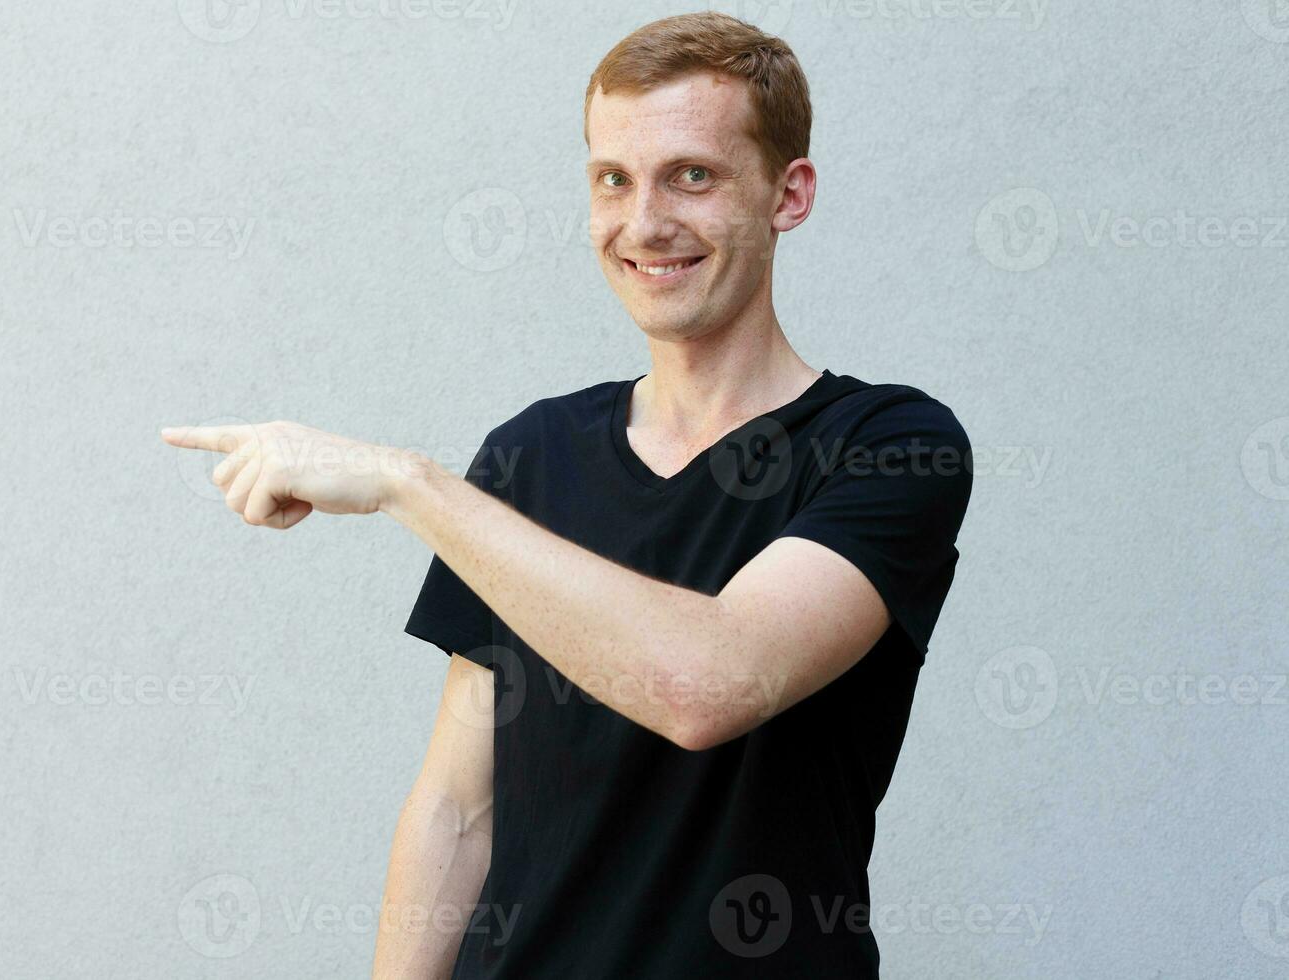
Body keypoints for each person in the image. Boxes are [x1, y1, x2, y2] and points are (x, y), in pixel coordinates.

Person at [162, 11, 973, 977]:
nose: (644, 223)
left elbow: (708, 686)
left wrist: (404, 482)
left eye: (694, 176)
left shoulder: (889, 446)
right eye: (612, 180)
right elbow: (460, 808)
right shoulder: (534, 454)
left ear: (786, 194)